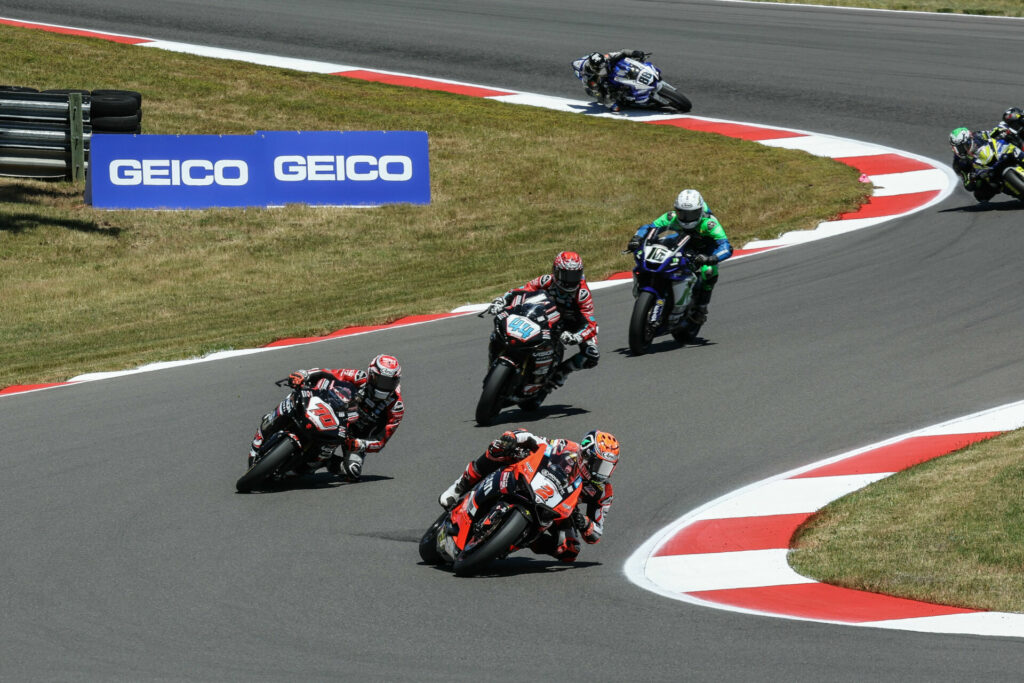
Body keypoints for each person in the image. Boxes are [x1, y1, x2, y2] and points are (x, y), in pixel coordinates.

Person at [437, 428, 619, 562]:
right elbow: (537, 440)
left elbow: (596, 534)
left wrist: (583, 522)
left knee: (570, 550)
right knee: (499, 449)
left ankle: (520, 539)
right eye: (598, 465)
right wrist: (513, 438)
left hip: (560, 509)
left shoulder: (603, 492)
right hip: (535, 481)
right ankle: (459, 487)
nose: (601, 473)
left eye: (607, 468)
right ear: (586, 455)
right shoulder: (567, 447)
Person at [248, 354, 404, 481]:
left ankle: (323, 462)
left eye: (389, 382)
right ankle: (272, 420)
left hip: (353, 437)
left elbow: (381, 441)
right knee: (298, 398)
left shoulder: (396, 407)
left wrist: (359, 443)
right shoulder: (359, 377)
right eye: (381, 381)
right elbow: (327, 373)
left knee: (352, 471)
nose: (384, 386)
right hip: (333, 412)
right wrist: (304, 374)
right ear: (371, 376)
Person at [488, 251, 599, 391]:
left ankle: (560, 375)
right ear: (556, 271)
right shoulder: (546, 280)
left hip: (570, 324)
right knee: (503, 324)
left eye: (575, 275)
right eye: (566, 275)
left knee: (592, 354)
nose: (571, 280)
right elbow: (521, 290)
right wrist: (502, 299)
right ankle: (499, 355)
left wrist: (577, 336)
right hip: (543, 316)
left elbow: (590, 323)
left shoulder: (582, 294)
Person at [628, 189, 732, 329]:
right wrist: (637, 238)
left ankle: (701, 307)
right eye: (682, 213)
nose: (686, 218)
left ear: (700, 211)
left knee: (708, 272)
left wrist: (711, 258)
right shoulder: (671, 217)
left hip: (703, 251)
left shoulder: (709, 224)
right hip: (679, 245)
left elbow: (726, 246)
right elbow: (648, 228)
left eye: (691, 214)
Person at [575, 49, 649, 112]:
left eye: (603, 65)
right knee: (600, 92)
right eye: (600, 68)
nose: (603, 68)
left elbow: (623, 52)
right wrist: (610, 104)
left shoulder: (607, 58)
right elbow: (598, 93)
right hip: (597, 82)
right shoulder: (588, 77)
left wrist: (635, 53)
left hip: (611, 73)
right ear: (594, 68)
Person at [950, 127, 998, 202]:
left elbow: (994, 131)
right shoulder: (958, 164)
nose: (963, 149)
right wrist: (973, 179)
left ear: (970, 139)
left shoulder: (979, 135)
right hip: (986, 174)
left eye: (965, 145)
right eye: (959, 147)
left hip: (997, 154)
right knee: (980, 196)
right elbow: (967, 185)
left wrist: (1002, 131)